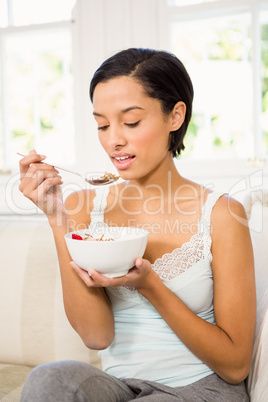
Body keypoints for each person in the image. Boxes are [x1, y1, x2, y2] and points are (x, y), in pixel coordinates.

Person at [19, 48, 256, 401]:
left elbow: (236, 366)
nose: (113, 139)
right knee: (50, 379)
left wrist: (151, 286)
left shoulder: (222, 214)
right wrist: (58, 221)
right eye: (102, 124)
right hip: (120, 388)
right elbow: (96, 337)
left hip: (201, 388)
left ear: (175, 116)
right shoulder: (82, 207)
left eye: (130, 122)